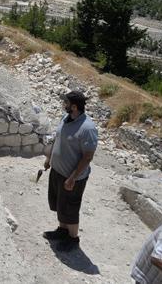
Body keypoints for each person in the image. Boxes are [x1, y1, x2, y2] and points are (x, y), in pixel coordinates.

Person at [42, 90, 98, 252]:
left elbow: (87, 157)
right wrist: (49, 158)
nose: (63, 105)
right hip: (57, 171)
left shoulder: (87, 128)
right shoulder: (65, 119)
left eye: (66, 103)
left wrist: (73, 177)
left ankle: (73, 239)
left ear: (74, 107)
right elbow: (57, 139)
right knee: (60, 204)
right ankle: (62, 231)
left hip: (72, 178)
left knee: (70, 209)